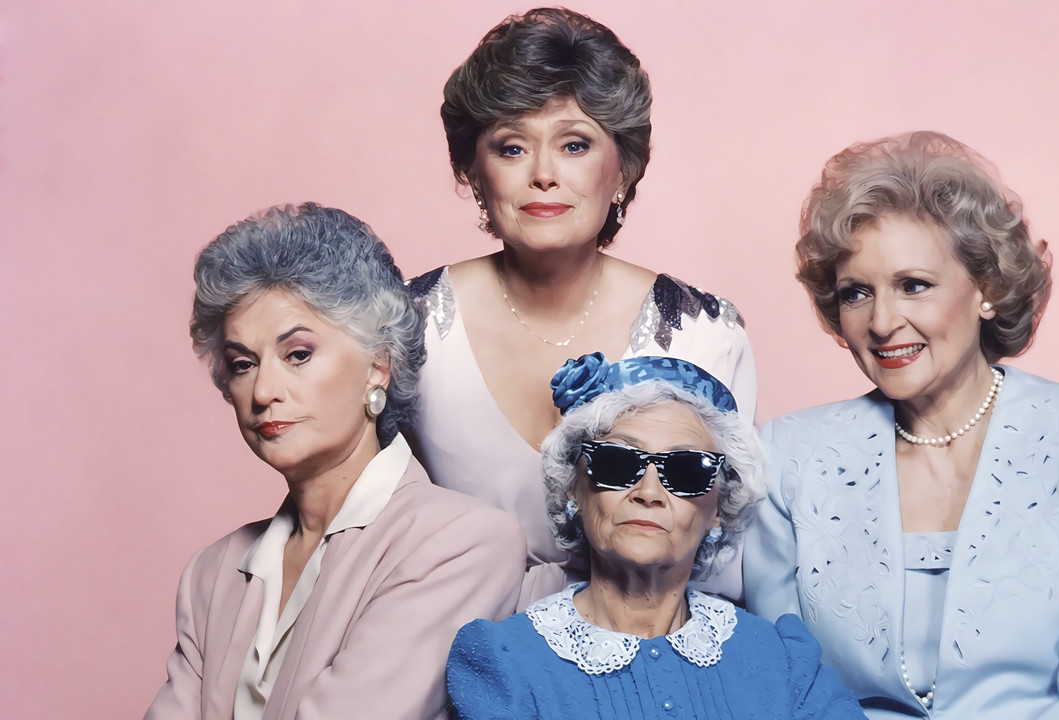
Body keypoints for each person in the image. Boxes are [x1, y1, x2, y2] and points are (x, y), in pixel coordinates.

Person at [743, 132, 1059, 718]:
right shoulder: (791, 453)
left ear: (986, 289)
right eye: (856, 293)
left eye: (914, 285)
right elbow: (784, 691)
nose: (882, 322)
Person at [408, 7, 756, 608]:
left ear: (623, 169)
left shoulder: (701, 332)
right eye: (512, 147)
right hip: (451, 635)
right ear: (473, 171)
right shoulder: (410, 326)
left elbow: (722, 559)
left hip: (646, 640)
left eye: (574, 145)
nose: (543, 174)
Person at [146, 203, 525, 720]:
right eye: (242, 364)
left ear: (379, 364)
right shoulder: (211, 574)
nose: (263, 391)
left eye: (298, 355)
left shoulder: (461, 544)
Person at [446, 354, 867, 719]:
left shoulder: (784, 659)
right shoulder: (502, 661)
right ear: (574, 487)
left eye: (687, 470)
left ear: (719, 509)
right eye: (616, 463)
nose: (648, 493)